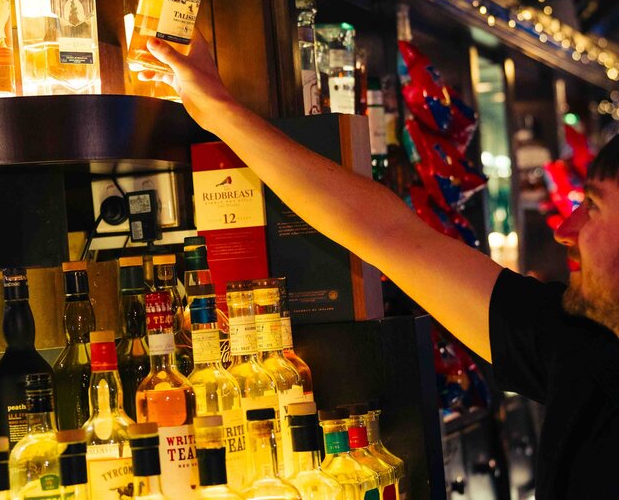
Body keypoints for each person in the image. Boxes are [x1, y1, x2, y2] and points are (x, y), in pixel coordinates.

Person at [136, 33, 619, 499]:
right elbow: (387, 234)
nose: (565, 227)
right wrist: (217, 107)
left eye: (592, 208)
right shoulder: (581, 344)